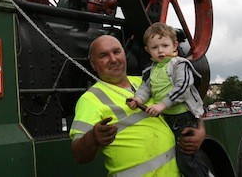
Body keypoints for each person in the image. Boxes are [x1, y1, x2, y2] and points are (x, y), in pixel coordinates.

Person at [70, 35, 206, 176]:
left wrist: (201, 130)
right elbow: (79, 155)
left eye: (117, 52)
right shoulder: (90, 99)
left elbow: (185, 105)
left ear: (124, 54)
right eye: (103, 55)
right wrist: (92, 138)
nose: (113, 59)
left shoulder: (146, 81)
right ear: (93, 64)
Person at [126, 23, 209, 177]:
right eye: (155, 47)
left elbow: (183, 87)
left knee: (187, 160)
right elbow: (145, 88)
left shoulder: (180, 64)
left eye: (165, 45)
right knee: (176, 157)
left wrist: (162, 105)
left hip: (184, 117)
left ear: (175, 45)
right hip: (167, 118)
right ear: (147, 50)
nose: (160, 50)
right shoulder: (150, 70)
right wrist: (137, 99)